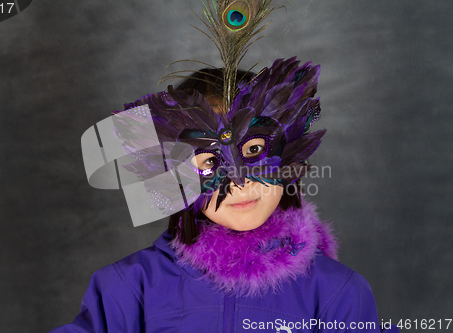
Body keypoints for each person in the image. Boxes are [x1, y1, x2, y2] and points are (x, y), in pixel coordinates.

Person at [49, 63, 399, 332]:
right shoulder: (129, 288)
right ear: (175, 177)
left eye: (255, 151)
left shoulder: (338, 293)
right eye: (210, 162)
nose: (239, 182)